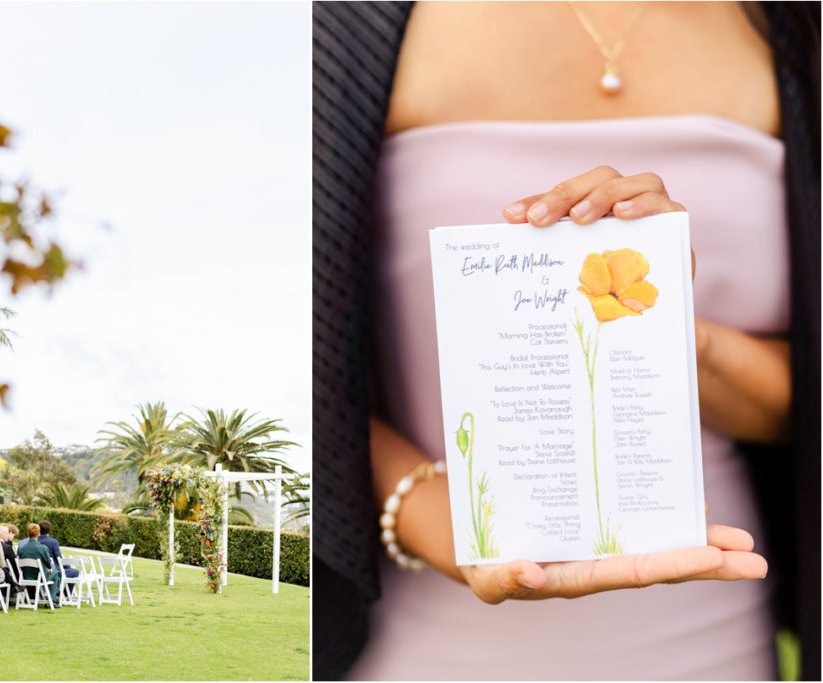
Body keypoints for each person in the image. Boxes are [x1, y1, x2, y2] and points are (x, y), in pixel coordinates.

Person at [312, 2, 819, 680]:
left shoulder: (791, 25)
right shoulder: (342, 24)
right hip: (426, 641)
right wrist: (421, 506)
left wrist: (665, 336)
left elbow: (804, 396)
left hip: (714, 626)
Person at [18, 523, 61, 607]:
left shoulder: (22, 548)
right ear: (39, 534)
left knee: (53, 571)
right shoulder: (42, 548)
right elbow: (48, 563)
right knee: (55, 573)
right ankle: (51, 600)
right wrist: (49, 567)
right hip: (40, 576)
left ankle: (45, 598)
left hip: (26, 576)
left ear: (28, 533)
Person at [37, 520, 79, 594]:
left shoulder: (35, 541)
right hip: (53, 571)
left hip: (38, 570)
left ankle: (59, 593)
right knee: (75, 572)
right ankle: (64, 595)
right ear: (49, 530)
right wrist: (69, 566)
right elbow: (59, 559)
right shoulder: (53, 542)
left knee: (69, 569)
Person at [0, 525, 23, 595]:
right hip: (1, 574)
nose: (8, 535)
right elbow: (14, 564)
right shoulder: (7, 547)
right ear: (1, 535)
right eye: (7, 533)